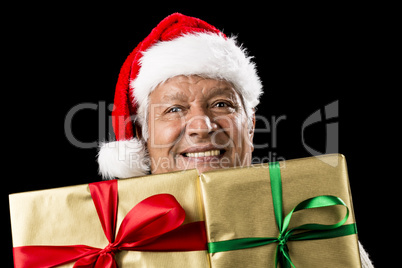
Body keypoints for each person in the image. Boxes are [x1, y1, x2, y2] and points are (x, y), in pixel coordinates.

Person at [97, 13, 373, 267]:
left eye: (221, 104)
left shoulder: (314, 226)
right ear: (142, 136)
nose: (201, 127)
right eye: (174, 109)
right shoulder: (104, 248)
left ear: (250, 126)